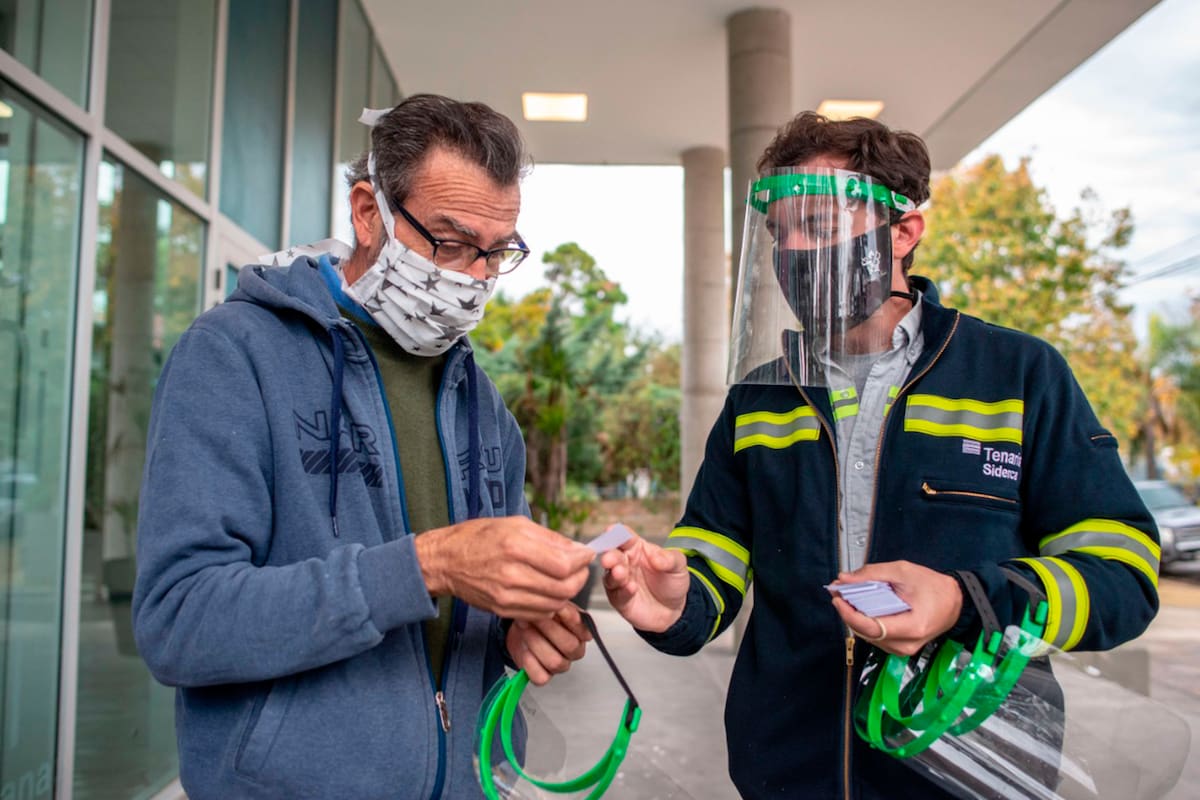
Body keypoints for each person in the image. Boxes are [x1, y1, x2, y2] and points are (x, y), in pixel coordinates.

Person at [600, 111, 1160, 799]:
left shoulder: (1018, 375)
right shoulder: (762, 399)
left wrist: (963, 599)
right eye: (780, 233)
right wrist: (677, 597)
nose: (795, 251)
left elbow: (1122, 573)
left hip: (971, 775)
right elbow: (714, 552)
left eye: (822, 225)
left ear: (904, 232)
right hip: (786, 773)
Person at [132, 94, 597, 800]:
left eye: (495, 252)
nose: (473, 277)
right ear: (367, 211)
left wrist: (520, 630)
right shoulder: (232, 359)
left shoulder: (483, 406)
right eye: (449, 242)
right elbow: (180, 620)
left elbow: (472, 615)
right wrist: (426, 564)